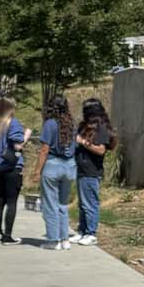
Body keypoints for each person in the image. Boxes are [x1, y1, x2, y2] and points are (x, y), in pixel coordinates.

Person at [33, 94, 77, 251]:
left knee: (50, 205)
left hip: (53, 165)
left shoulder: (50, 124)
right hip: (69, 166)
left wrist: (37, 171)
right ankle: (65, 239)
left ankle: (53, 240)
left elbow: (45, 149)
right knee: (62, 204)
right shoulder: (72, 123)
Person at [0, 97, 26, 243]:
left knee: (0, 200)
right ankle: (8, 236)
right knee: (12, 202)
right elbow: (17, 146)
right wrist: (26, 136)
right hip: (12, 166)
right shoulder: (13, 123)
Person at [74, 98, 116, 246]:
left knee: (90, 204)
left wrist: (83, 143)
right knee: (82, 204)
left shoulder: (101, 128)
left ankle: (91, 233)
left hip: (91, 172)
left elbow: (100, 150)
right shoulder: (86, 127)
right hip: (81, 170)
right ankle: (82, 231)